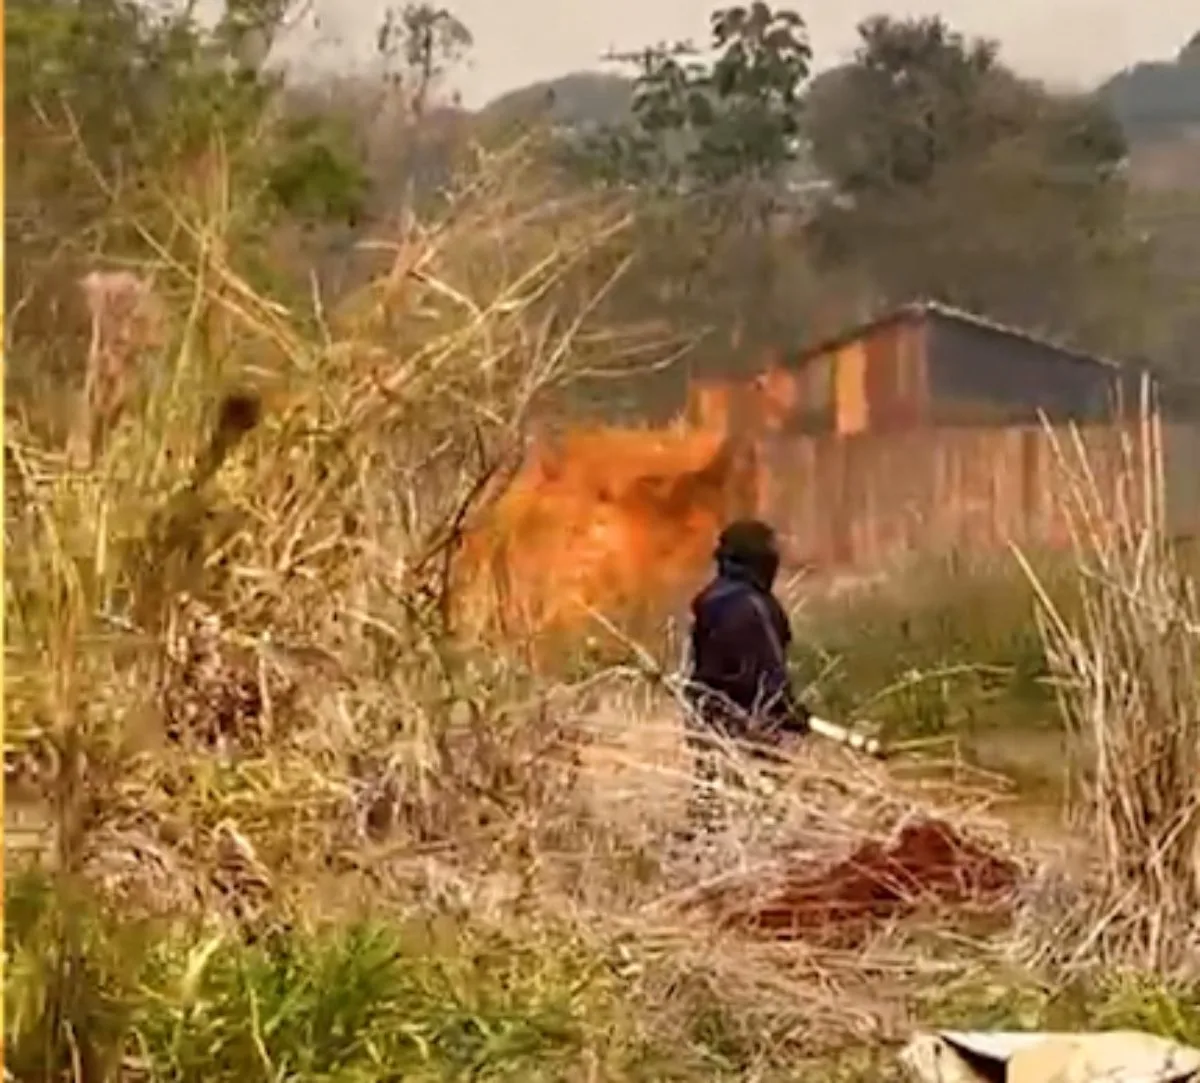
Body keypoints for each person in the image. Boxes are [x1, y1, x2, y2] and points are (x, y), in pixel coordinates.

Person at [682, 519, 810, 831]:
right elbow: (768, 671)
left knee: (714, 800)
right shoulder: (750, 606)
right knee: (756, 808)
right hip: (748, 725)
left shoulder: (711, 601)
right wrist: (788, 711)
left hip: (708, 719)